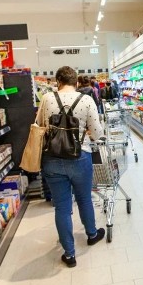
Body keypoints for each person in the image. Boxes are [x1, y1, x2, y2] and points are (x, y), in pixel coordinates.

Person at [36, 66, 107, 267]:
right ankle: (92, 234)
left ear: (57, 81)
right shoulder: (86, 100)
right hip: (80, 157)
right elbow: (97, 131)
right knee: (84, 199)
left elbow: (41, 125)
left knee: (62, 207)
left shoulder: (47, 98)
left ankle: (69, 253)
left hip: (52, 158)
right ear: (76, 82)